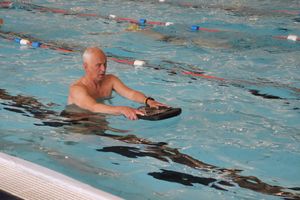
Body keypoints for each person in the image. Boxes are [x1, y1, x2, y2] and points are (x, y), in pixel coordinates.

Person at [67, 47, 167, 120]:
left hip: (98, 119)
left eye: (105, 64)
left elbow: (130, 93)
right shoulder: (77, 89)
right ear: (86, 67)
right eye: (98, 65)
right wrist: (122, 109)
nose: (103, 69)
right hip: (77, 123)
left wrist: (148, 101)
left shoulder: (110, 80)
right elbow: (93, 107)